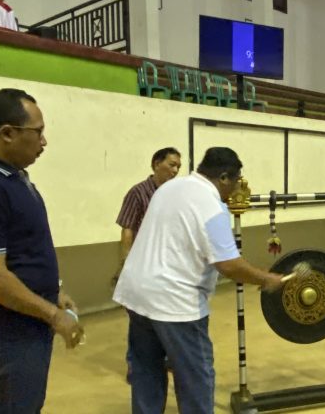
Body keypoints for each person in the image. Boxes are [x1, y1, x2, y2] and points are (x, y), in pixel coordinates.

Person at [113, 147, 284, 414]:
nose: (235, 189)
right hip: (175, 304)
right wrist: (266, 279)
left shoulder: (170, 188)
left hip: (136, 295)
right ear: (225, 177)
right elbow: (228, 264)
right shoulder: (210, 205)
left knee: (146, 372)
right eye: (236, 182)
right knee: (195, 378)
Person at [0, 88, 84, 413]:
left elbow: (24, 251)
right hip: (7, 340)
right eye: (38, 132)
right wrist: (53, 314)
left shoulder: (15, 180)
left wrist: (54, 291)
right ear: (7, 133)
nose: (44, 141)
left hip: (25, 333)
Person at [114, 147, 182, 284]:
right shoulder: (137, 193)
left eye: (178, 167)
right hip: (144, 260)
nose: (175, 171)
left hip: (169, 261)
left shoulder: (175, 193)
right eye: (172, 165)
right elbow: (127, 230)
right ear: (157, 164)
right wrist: (127, 263)